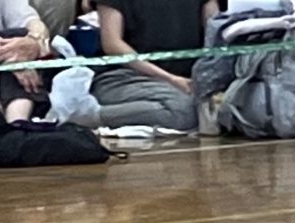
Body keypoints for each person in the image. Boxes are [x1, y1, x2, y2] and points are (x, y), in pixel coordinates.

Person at [91, 0, 218, 131]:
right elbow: (112, 44)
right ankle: (92, 115)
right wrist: (170, 78)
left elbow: (216, 33)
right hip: (124, 78)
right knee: (185, 111)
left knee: (219, 107)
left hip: (185, 81)